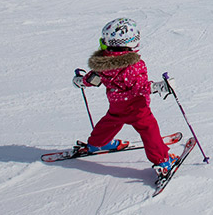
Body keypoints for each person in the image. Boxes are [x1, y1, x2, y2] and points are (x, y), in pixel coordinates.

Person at [72, 18, 178, 178]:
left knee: (111, 122)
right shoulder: (134, 65)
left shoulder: (104, 62)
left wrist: (81, 81)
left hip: (116, 104)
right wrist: (159, 86)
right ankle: (162, 160)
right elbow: (139, 88)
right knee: (149, 130)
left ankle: (96, 144)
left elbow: (94, 79)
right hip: (136, 107)